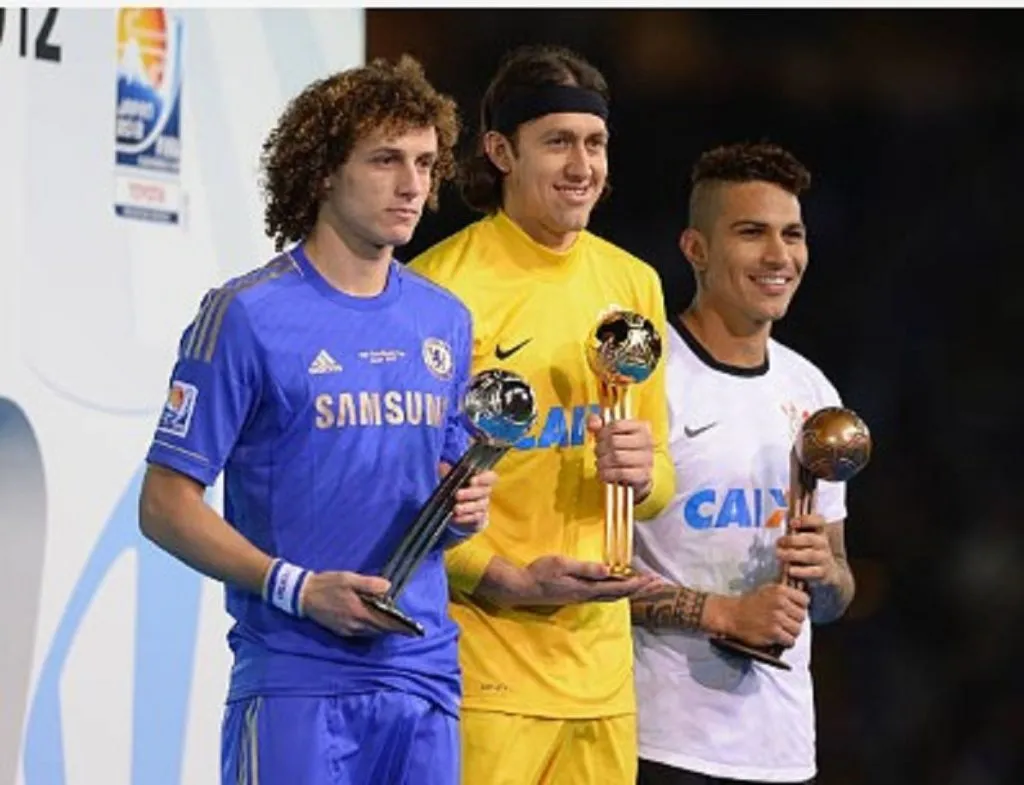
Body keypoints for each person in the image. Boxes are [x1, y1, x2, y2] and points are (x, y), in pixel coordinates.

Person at [137, 55, 497, 785]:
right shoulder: (247, 314)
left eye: (425, 163)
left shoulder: (445, 318)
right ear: (324, 171)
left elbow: (445, 493)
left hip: (424, 675)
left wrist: (463, 507)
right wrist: (297, 587)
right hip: (297, 678)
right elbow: (164, 505)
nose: (412, 184)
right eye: (386, 159)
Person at [409, 44, 672, 785]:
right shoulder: (437, 292)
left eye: (595, 143)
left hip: (603, 683)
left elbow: (658, 484)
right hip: (484, 676)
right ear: (500, 151)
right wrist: (504, 580)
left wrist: (644, 471)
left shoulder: (634, 282)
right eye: (557, 142)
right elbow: (404, 500)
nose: (582, 165)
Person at [630, 141, 857, 785]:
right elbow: (592, 581)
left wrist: (826, 577)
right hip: (661, 743)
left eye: (793, 234)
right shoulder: (647, 381)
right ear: (695, 250)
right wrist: (723, 614)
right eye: (751, 233)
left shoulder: (812, 392)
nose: (779, 256)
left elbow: (838, 593)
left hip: (781, 749)